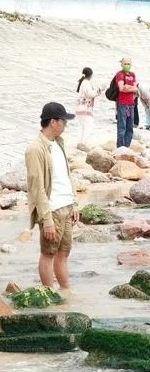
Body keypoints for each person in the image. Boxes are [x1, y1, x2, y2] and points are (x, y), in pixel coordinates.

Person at [25, 102, 80, 291]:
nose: (66, 125)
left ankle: (66, 293)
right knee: (48, 253)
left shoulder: (59, 143)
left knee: (64, 253)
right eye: (64, 121)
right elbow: (36, 187)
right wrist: (46, 219)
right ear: (53, 122)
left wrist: (74, 203)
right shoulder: (35, 149)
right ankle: (49, 295)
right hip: (52, 209)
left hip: (66, 206)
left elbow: (66, 175)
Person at [74, 67, 104, 145]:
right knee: (89, 126)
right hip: (85, 108)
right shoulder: (86, 83)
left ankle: (79, 142)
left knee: (82, 126)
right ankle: (83, 143)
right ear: (91, 75)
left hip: (80, 107)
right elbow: (90, 94)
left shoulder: (82, 82)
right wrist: (99, 90)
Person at [114, 57, 138, 147]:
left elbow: (135, 88)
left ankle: (126, 146)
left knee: (130, 127)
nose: (127, 65)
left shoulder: (133, 74)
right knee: (122, 127)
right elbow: (121, 88)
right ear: (122, 64)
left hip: (131, 104)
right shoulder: (119, 74)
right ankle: (120, 147)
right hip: (122, 104)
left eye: (128, 64)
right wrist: (130, 88)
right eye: (125, 64)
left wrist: (127, 87)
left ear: (131, 64)